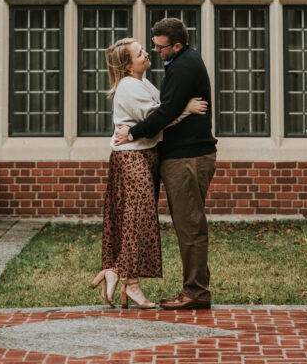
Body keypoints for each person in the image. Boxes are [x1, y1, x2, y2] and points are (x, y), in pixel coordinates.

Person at [91, 36, 206, 309]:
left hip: (143, 156)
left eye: (143, 49)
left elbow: (162, 110)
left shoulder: (141, 82)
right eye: (139, 53)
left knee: (135, 220)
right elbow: (158, 117)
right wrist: (187, 108)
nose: (146, 53)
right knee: (137, 221)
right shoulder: (129, 87)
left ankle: (117, 272)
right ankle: (129, 282)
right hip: (133, 159)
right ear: (128, 65)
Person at [114, 17, 217, 310]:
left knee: (190, 227)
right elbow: (167, 108)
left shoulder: (184, 66)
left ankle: (196, 292)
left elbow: (164, 112)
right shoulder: (180, 62)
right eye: (152, 47)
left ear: (177, 45)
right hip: (184, 156)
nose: (155, 52)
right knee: (189, 225)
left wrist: (133, 132)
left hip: (188, 158)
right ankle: (196, 288)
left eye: (160, 48)